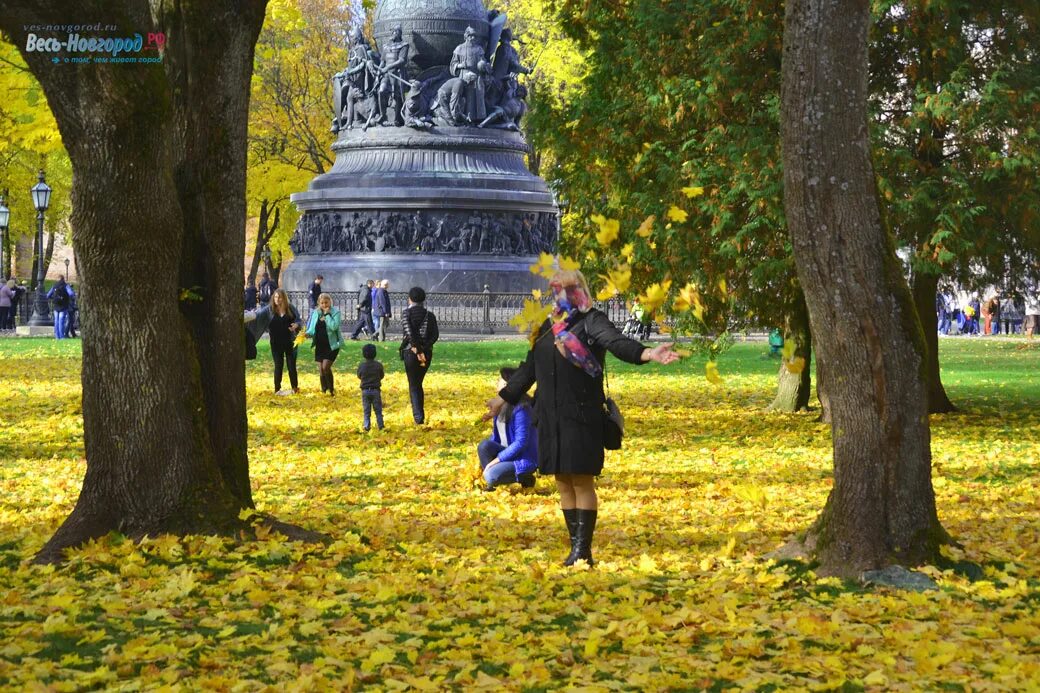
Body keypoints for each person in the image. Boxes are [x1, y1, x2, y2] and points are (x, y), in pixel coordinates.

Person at [485, 269, 681, 567]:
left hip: (581, 415)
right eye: (556, 288)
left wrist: (648, 353)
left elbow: (618, 343)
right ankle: (575, 547)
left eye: (567, 288)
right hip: (549, 416)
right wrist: (502, 399)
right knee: (563, 481)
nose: (560, 294)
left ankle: (582, 550)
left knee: (581, 482)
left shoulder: (592, 321)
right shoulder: (546, 327)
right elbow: (529, 370)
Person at [477, 366, 537, 491]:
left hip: (522, 457)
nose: (497, 382)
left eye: (501, 380)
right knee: (484, 445)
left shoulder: (522, 409)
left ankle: (525, 477)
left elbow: (520, 443)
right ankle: (492, 482)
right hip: (507, 451)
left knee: (490, 475)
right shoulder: (500, 406)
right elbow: (496, 438)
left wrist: (496, 460)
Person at [399, 286, 439, 424]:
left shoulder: (406, 314)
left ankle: (418, 417)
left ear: (410, 298)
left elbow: (409, 333)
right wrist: (424, 348)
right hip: (427, 354)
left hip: (411, 353)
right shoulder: (430, 315)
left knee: (414, 385)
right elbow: (435, 335)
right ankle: (419, 414)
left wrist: (417, 349)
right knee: (418, 383)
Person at [306, 292, 343, 396]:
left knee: (326, 367)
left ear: (330, 302)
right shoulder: (316, 313)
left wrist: (327, 315)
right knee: (321, 370)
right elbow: (312, 329)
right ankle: (324, 390)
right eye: (322, 303)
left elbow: (334, 327)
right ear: (319, 303)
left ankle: (331, 390)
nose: (324, 305)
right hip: (320, 345)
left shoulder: (335, 313)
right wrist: (306, 334)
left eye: (326, 303)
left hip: (332, 345)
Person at [268, 289, 303, 394]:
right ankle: (277, 389)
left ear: (284, 298)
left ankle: (295, 388)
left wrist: (296, 325)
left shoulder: (290, 308)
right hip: (276, 343)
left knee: (291, 366)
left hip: (290, 342)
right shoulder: (270, 310)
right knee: (278, 365)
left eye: (279, 297)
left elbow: (298, 320)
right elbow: (260, 318)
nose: (277, 299)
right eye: (275, 297)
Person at [357, 343, 385, 431]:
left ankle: (366, 425)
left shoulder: (362, 366)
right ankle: (380, 425)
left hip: (365, 391)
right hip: (376, 390)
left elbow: (359, 375)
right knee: (378, 410)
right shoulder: (378, 365)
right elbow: (381, 375)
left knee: (366, 410)